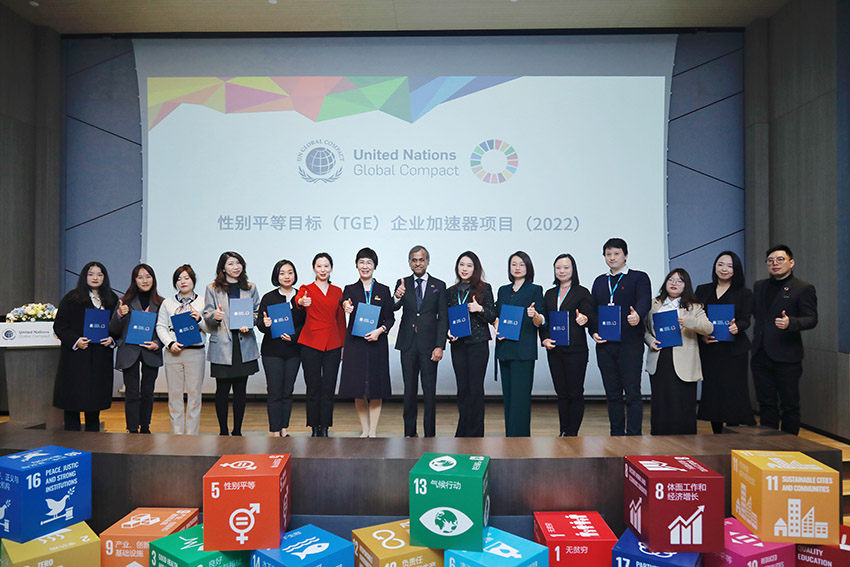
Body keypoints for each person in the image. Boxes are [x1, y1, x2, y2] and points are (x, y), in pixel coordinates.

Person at [751, 244, 818, 435]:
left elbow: (811, 319)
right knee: (766, 403)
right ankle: (769, 445)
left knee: (789, 405)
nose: (775, 263)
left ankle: (789, 447)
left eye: (780, 259)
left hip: (787, 356)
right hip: (760, 354)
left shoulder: (803, 288)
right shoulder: (759, 286)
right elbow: (758, 315)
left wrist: (791, 323)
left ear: (791, 262)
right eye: (770, 260)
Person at [588, 238, 652, 436]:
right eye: (608, 254)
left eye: (616, 253)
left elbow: (645, 300)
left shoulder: (638, 277)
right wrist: (593, 331)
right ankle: (616, 435)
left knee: (632, 392)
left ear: (625, 255)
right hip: (605, 345)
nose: (612, 257)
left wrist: (637, 315)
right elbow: (592, 311)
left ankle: (633, 435)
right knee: (612, 393)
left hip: (630, 343)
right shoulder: (600, 281)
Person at [644, 268, 713, 435]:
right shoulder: (653, 304)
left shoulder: (694, 307)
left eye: (680, 281)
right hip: (660, 357)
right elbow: (644, 330)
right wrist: (651, 341)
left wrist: (688, 320)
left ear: (686, 285)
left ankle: (685, 440)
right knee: (661, 401)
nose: (674, 283)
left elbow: (708, 328)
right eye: (671, 279)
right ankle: (659, 437)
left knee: (683, 402)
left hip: (684, 360)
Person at [53, 261, 118, 431]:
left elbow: (118, 327)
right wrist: (76, 341)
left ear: (104, 278)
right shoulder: (72, 298)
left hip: (100, 357)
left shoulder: (111, 299)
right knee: (72, 402)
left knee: (94, 403)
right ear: (84, 276)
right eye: (91, 274)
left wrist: (112, 339)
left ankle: (93, 439)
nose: (95, 278)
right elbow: (60, 326)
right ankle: (71, 440)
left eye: (99, 274)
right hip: (76, 357)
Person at [694, 251, 756, 433]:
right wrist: (701, 336)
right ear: (715, 267)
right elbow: (695, 318)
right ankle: (717, 434)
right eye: (720, 264)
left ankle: (732, 434)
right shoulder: (702, 290)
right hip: (710, 350)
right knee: (713, 393)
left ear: (736, 269)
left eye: (729, 266)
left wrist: (738, 327)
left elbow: (746, 319)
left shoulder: (745, 293)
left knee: (733, 393)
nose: (724, 269)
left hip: (734, 351)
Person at [203, 251, 260, 436]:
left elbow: (257, 312)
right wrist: (215, 316)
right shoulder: (212, 288)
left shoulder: (250, 287)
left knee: (241, 390)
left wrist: (249, 322)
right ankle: (223, 431)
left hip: (244, 344)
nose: (235, 267)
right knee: (222, 390)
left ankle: (237, 431)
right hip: (222, 344)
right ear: (223, 268)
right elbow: (207, 315)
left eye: (238, 263)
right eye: (230, 264)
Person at [339, 247, 395, 437]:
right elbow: (344, 303)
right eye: (361, 262)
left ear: (374, 266)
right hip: (356, 345)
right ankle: (364, 429)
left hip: (377, 344)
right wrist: (346, 306)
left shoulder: (383, 290)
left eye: (369, 263)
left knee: (376, 388)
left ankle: (373, 431)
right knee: (358, 388)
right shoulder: (350, 289)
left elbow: (390, 318)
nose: (365, 266)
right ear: (356, 265)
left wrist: (380, 330)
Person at [393, 245, 448, 438]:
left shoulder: (439, 285)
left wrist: (440, 345)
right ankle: (410, 432)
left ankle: (430, 434)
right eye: (414, 260)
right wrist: (396, 296)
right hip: (408, 344)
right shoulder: (402, 283)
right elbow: (393, 307)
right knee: (409, 390)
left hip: (430, 346)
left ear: (428, 262)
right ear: (410, 263)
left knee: (429, 391)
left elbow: (443, 318)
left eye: (421, 260)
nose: (418, 263)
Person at [539, 253, 594, 436]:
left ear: (573, 269)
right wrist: (544, 339)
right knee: (561, 393)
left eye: (566, 267)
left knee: (575, 393)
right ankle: (563, 431)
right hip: (554, 350)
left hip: (575, 350)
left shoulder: (582, 292)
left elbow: (589, 315)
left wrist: (584, 318)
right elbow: (544, 321)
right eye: (558, 268)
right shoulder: (549, 294)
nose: (562, 271)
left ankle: (572, 433)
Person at [295, 252, 346, 437]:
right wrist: (301, 301)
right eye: (319, 266)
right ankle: (314, 426)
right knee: (313, 387)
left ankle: (325, 426)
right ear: (314, 268)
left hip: (332, 344)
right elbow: (298, 301)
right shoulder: (306, 288)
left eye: (326, 266)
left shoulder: (338, 291)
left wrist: (343, 345)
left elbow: (341, 320)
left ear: (331, 268)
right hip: (310, 343)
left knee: (329, 387)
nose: (323, 270)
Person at [446, 251, 497, 437]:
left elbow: (492, 315)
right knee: (462, 389)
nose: (465, 269)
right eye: (462, 265)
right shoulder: (450, 291)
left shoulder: (484, 288)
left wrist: (479, 308)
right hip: (458, 345)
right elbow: (445, 318)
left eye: (469, 265)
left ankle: (476, 433)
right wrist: (448, 332)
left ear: (475, 268)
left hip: (478, 344)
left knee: (475, 389)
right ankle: (462, 431)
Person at [495, 251, 545, 437]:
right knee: (508, 398)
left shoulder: (535, 290)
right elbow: (496, 315)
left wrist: (536, 316)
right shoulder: (503, 290)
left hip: (523, 351)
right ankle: (510, 437)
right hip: (505, 350)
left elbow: (541, 320)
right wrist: (496, 325)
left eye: (522, 264)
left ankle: (521, 439)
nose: (517, 268)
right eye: (514, 264)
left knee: (521, 399)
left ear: (528, 267)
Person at [110, 263, 164, 434]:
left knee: (148, 392)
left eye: (148, 276)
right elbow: (113, 329)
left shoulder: (161, 303)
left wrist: (158, 343)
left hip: (150, 350)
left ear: (153, 279)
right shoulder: (124, 301)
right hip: (129, 351)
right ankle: (132, 427)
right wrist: (120, 315)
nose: (144, 280)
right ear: (134, 280)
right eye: (140, 277)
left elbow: (165, 329)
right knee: (132, 392)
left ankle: (145, 426)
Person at [155, 264, 208, 435]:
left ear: (193, 280)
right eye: (179, 279)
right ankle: (177, 435)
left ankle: (192, 435)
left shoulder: (203, 302)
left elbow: (210, 328)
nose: (183, 281)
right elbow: (161, 326)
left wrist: (200, 319)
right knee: (174, 396)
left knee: (194, 396)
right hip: (173, 353)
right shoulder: (167, 303)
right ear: (175, 283)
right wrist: (170, 343)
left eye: (186, 278)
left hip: (195, 353)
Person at [257, 259, 306, 437]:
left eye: (290, 272)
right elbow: (260, 323)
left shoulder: (302, 297)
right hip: (272, 351)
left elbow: (307, 323)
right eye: (282, 273)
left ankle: (284, 428)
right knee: (274, 391)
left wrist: (294, 336)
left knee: (287, 391)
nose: (286, 276)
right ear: (276, 276)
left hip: (294, 351)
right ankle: (274, 431)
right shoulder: (269, 297)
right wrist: (265, 323)